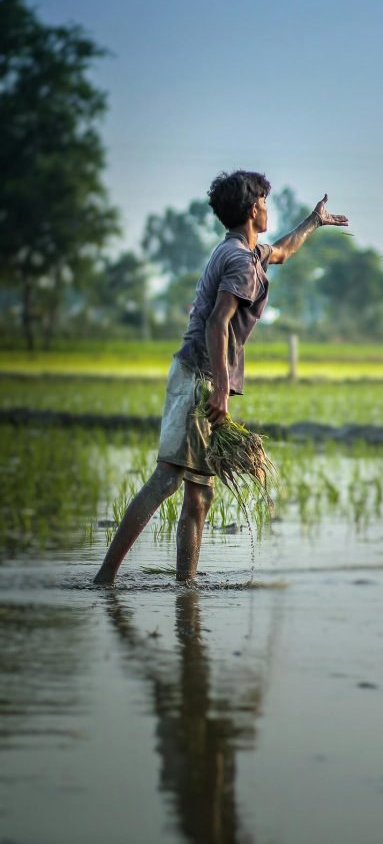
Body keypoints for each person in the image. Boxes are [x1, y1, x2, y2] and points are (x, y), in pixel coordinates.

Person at [94, 170, 348, 585]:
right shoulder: (238, 261)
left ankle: (185, 586)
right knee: (167, 480)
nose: (268, 208)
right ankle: (105, 579)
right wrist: (219, 389)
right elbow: (217, 322)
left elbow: (282, 251)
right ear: (253, 209)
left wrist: (314, 221)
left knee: (199, 491)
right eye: (265, 202)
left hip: (202, 376)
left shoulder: (240, 251)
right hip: (200, 378)